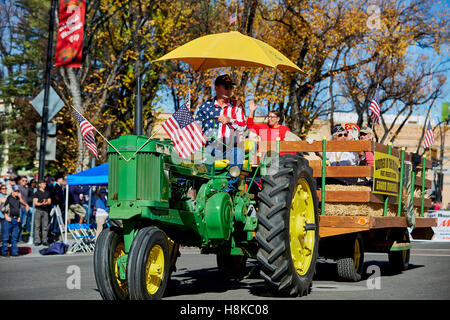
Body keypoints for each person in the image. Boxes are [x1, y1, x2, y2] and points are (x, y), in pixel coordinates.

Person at [195, 74, 247, 192]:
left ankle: (228, 189)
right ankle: (202, 187)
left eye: (230, 87)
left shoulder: (237, 106)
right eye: (226, 87)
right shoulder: (205, 106)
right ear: (216, 88)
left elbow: (243, 126)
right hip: (210, 147)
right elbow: (197, 127)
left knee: (238, 153)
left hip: (230, 147)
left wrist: (229, 120)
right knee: (197, 158)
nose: (229, 90)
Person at [1, 185, 22, 256]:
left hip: (16, 220)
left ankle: (14, 252)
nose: (17, 192)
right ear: (12, 191)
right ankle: (4, 252)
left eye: (18, 191)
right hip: (9, 219)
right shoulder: (8, 198)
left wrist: (19, 217)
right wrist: (6, 216)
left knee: (14, 238)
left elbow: (19, 209)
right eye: (15, 191)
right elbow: (2, 209)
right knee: (5, 238)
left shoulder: (18, 199)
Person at [33, 180, 51, 246]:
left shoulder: (47, 192)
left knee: (45, 226)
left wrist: (46, 203)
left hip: (45, 210)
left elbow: (49, 201)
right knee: (37, 226)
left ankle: (44, 240)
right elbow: (35, 203)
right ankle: (37, 240)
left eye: (45, 184)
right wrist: (41, 203)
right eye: (43, 184)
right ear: (39, 185)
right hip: (38, 210)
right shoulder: (36, 193)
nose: (44, 185)